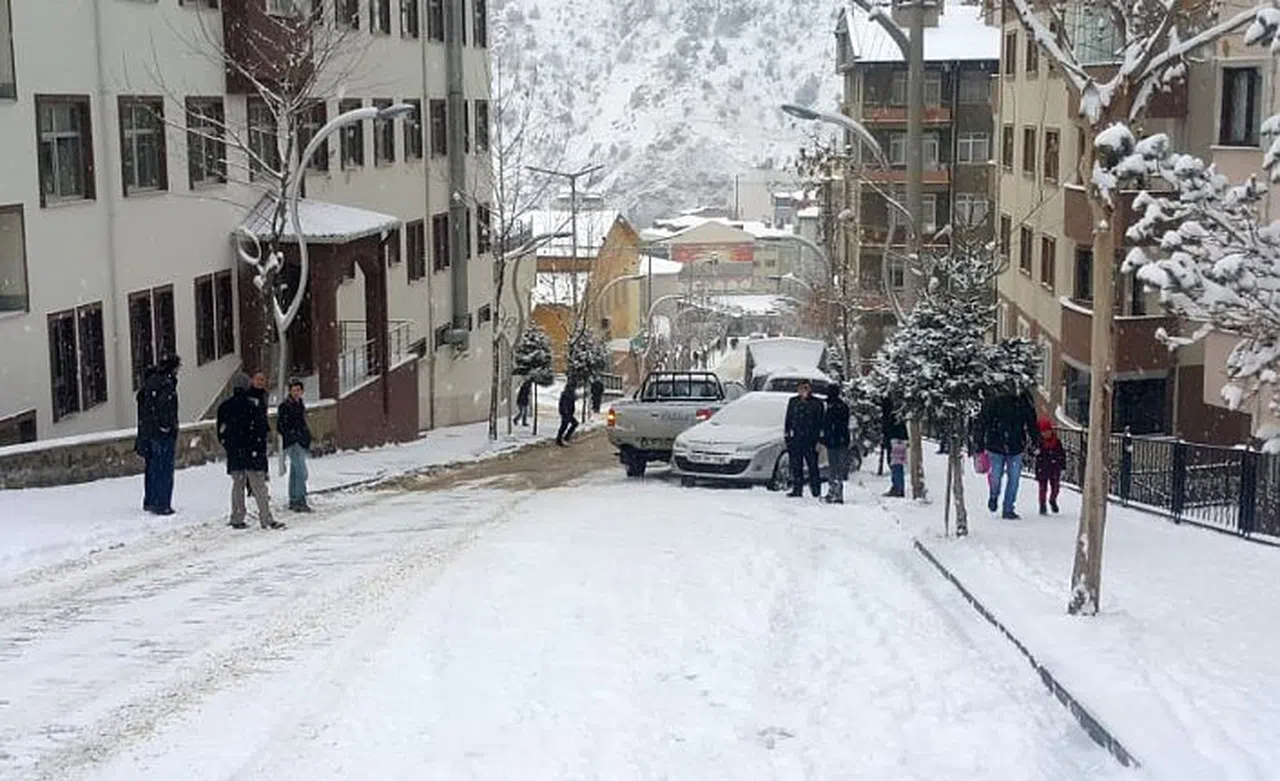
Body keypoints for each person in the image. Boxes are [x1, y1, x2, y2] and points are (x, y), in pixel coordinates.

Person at [217, 372, 284, 530]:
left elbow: (221, 431)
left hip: (235, 453)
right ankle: (266, 518)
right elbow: (261, 429)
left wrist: (228, 446)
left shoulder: (224, 407)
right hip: (252, 452)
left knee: (238, 486)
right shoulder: (253, 405)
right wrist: (260, 448)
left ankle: (237, 517)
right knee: (259, 487)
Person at [974, 382, 1041, 519]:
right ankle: (994, 496)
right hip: (998, 445)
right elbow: (983, 422)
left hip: (1012, 446)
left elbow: (1031, 423)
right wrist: (979, 443)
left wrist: (1035, 441)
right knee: (997, 477)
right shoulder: (996, 401)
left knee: (1013, 479)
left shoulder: (1022, 402)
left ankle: (1008, 508)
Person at [135, 354, 181, 515]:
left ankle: (151, 500)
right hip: (161, 435)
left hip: (148, 432)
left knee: (152, 468)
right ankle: (162, 504)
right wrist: (167, 427)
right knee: (164, 469)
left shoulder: (149, 383)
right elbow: (165, 409)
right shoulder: (166, 385)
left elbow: (143, 404)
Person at [784, 379, 825, 498]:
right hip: (796, 438)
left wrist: (819, 440)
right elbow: (789, 419)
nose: (803, 390)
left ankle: (815, 490)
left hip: (810, 439)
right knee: (797, 465)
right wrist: (788, 434)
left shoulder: (816, 403)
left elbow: (820, 422)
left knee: (812, 465)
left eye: (805, 388)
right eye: (801, 388)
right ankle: (797, 489)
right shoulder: (793, 401)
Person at [277, 378, 313, 513]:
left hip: (299, 440)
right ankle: (300, 498)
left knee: (296, 471)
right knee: (301, 471)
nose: (296, 393)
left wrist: (305, 436)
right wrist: (292, 435)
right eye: (294, 390)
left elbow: (301, 423)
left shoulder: (299, 404)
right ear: (290, 391)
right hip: (293, 442)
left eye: (298, 390)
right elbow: (281, 425)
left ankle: (294, 499)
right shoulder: (285, 406)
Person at [822, 384, 852, 504]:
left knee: (834, 467)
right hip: (841, 440)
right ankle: (837, 492)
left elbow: (828, 424)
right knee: (837, 467)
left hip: (834, 440)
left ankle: (834, 492)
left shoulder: (832, 407)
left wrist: (825, 437)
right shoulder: (842, 406)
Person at [1035, 417, 1066, 515]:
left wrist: (1062, 466)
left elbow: (1062, 454)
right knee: (1043, 488)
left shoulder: (1057, 442)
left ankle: (1052, 499)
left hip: (1054, 468)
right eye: (1043, 432)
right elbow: (1034, 453)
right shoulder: (1039, 443)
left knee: (1055, 487)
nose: (1046, 433)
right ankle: (1042, 505)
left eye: (1047, 431)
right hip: (1043, 467)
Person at [881, 395, 908, 498]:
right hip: (900, 440)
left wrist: (886, 440)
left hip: (894, 441)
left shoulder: (889, 416)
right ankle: (897, 486)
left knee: (895, 465)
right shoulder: (897, 415)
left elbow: (887, 429)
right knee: (897, 465)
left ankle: (898, 488)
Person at [556, 381, 579, 446]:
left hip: (569, 412)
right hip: (566, 412)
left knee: (574, 423)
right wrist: (565, 412)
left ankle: (565, 438)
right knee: (564, 425)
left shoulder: (570, 393)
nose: (574, 389)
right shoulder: (566, 394)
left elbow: (574, 399)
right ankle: (560, 439)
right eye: (574, 387)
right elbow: (563, 404)